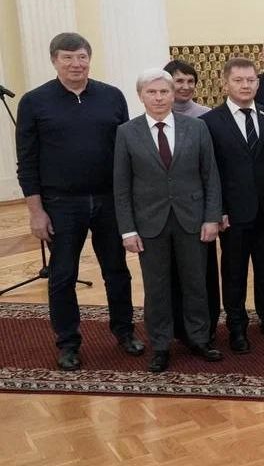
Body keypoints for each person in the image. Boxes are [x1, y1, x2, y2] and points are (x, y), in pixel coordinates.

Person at [16, 33, 140, 371]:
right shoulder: (33, 101)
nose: (76, 64)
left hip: (108, 200)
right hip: (60, 203)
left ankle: (124, 330)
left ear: (90, 58)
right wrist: (36, 212)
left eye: (82, 57)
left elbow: (125, 152)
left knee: (116, 271)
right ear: (54, 60)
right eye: (68, 57)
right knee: (62, 275)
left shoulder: (112, 96)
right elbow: (26, 161)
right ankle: (68, 342)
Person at [114, 69, 224, 372]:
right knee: (157, 286)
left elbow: (210, 177)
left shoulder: (196, 128)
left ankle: (200, 338)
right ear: (141, 96)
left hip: (192, 219)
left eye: (164, 91)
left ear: (173, 93)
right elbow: (121, 187)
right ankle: (160, 344)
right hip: (150, 224)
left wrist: (211, 217)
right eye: (152, 92)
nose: (159, 98)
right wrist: (127, 230)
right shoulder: (126, 132)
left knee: (196, 283)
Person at [200, 58, 264, 354]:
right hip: (232, 214)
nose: (245, 85)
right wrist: (218, 210)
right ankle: (236, 326)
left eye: (251, 80)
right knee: (234, 272)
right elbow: (209, 172)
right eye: (238, 80)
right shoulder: (210, 122)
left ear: (257, 83)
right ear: (225, 83)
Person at [164, 58, 218, 341]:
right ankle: (174, 327)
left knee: (201, 273)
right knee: (169, 272)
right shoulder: (154, 115)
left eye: (189, 81)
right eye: (178, 81)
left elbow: (211, 169)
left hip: (197, 210)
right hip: (163, 211)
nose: (184, 87)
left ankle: (203, 327)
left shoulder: (206, 117)